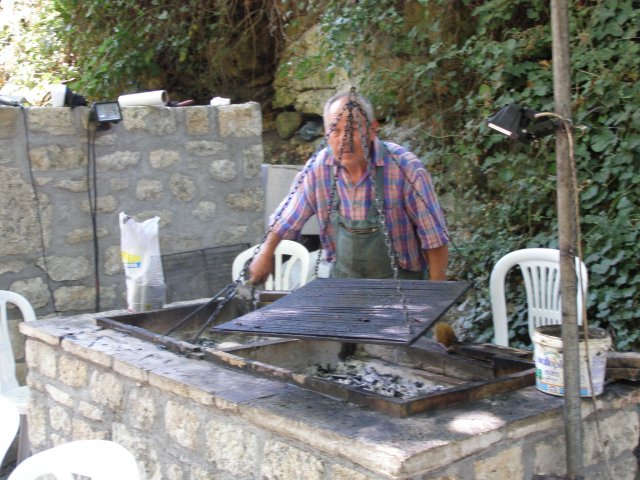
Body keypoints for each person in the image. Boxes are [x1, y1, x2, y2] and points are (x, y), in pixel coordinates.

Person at [249, 91, 449, 283]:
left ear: (372, 129)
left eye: (352, 130)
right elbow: (285, 220)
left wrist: (435, 288)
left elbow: (434, 237)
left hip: (402, 284)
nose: (344, 140)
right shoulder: (318, 170)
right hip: (344, 284)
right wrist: (266, 254)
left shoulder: (405, 168)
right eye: (335, 131)